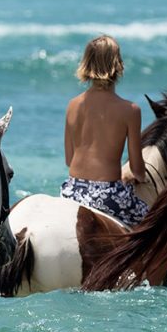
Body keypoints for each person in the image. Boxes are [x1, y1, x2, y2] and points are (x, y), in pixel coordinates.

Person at [61, 35, 149, 227]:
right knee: (153, 222)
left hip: (72, 190)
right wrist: (140, 178)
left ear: (86, 64)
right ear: (118, 65)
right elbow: (137, 169)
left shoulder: (72, 105)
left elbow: (69, 160)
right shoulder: (130, 110)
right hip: (108, 195)